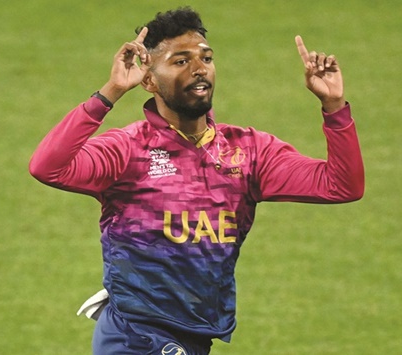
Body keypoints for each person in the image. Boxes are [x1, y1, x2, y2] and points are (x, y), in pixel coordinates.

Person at [29, 7, 364, 355]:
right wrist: (109, 93)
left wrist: (334, 106)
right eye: (180, 61)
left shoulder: (248, 152)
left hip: (192, 337)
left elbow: (341, 185)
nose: (199, 68)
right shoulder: (127, 150)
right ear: (148, 79)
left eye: (206, 57)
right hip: (138, 336)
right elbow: (47, 167)